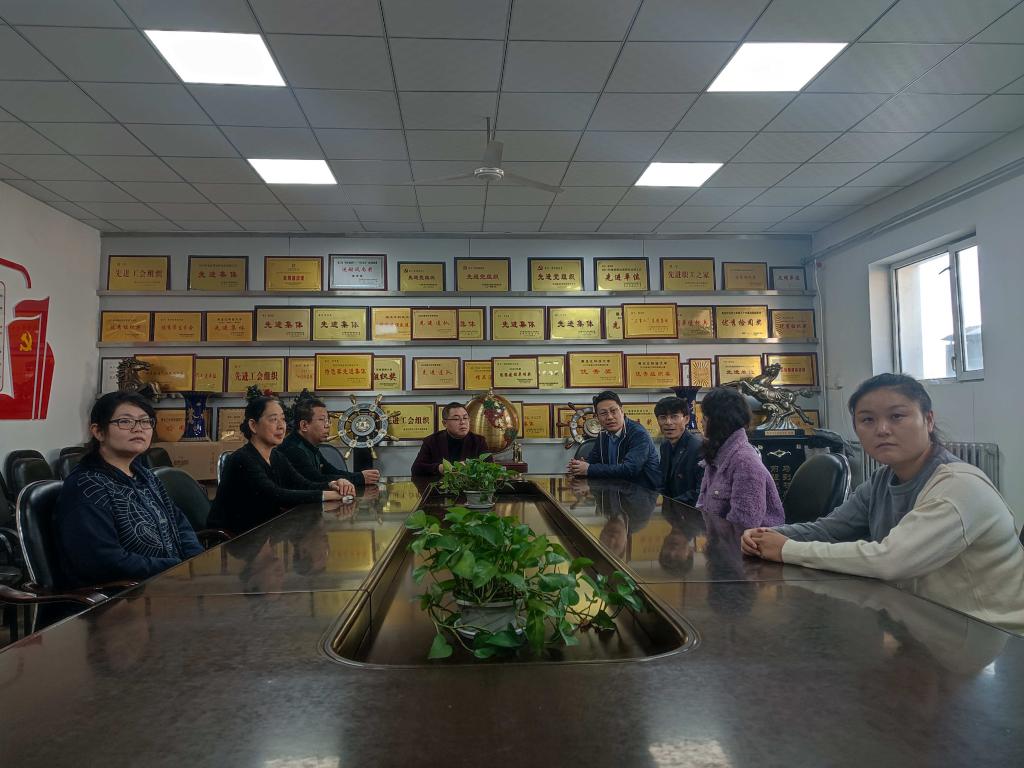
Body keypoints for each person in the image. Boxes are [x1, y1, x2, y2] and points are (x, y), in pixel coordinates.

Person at [743, 373, 1024, 634]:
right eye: (867, 420)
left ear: (928, 420)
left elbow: (890, 561)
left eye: (897, 416)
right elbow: (829, 530)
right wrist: (765, 536)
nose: (882, 430)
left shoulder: (958, 486)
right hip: (927, 625)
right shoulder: (883, 479)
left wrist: (786, 549)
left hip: (992, 638)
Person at [55, 391, 204, 588]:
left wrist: (196, 561)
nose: (138, 428)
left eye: (145, 421)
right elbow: (104, 560)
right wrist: (177, 568)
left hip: (171, 581)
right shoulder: (87, 486)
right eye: (125, 422)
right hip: (127, 595)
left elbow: (178, 523)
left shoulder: (146, 476)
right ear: (98, 431)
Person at [210, 396, 346, 534]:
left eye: (283, 419)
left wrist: (333, 485)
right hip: (233, 539)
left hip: (263, 533)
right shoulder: (242, 459)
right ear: (253, 426)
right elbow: (276, 495)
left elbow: (303, 484)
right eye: (274, 419)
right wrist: (330, 495)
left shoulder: (276, 457)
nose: (281, 426)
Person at [695, 386, 784, 528]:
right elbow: (703, 505)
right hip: (718, 537)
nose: (701, 421)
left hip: (749, 540)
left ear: (720, 421)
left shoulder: (745, 462)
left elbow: (743, 525)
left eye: (705, 416)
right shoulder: (716, 454)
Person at [565, 391, 660, 490]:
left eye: (613, 411)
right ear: (597, 417)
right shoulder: (603, 435)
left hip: (643, 493)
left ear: (622, 411)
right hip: (615, 490)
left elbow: (630, 469)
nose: (610, 417)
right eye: (603, 413)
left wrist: (589, 469)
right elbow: (592, 461)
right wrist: (579, 466)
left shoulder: (638, 434)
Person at [278, 397, 377, 488]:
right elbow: (316, 479)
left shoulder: (310, 446)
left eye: (328, 420)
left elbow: (332, 472)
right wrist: (360, 478)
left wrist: (361, 475)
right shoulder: (292, 449)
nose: (327, 425)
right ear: (304, 425)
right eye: (322, 420)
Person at [411, 402, 490, 476]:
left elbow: (490, 468)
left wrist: (471, 466)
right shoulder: (431, 441)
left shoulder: (479, 441)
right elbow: (416, 469)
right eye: (456, 419)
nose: (462, 422)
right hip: (440, 485)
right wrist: (440, 468)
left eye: (465, 418)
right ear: (444, 423)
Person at [654, 395, 704, 504]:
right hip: (671, 509)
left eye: (674, 417)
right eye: (663, 417)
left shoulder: (698, 447)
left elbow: (701, 492)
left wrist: (670, 503)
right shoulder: (665, 446)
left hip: (692, 511)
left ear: (686, 419)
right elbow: (662, 482)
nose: (668, 422)